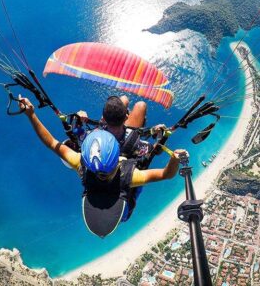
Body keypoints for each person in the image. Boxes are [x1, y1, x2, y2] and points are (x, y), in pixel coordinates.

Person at [18, 96, 188, 238]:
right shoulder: (130, 175)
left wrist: (31, 115)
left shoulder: (82, 164)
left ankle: (121, 108)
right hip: (121, 208)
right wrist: (172, 156)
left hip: (111, 205)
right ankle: (126, 110)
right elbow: (166, 173)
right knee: (138, 105)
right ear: (118, 156)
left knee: (123, 100)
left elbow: (51, 142)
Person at [78, 95, 163, 169]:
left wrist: (78, 120)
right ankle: (119, 114)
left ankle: (115, 114)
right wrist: (161, 136)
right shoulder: (140, 145)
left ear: (103, 119)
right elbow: (156, 151)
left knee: (124, 99)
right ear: (126, 117)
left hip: (113, 134)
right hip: (127, 143)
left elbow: (76, 137)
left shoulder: (91, 136)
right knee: (141, 105)